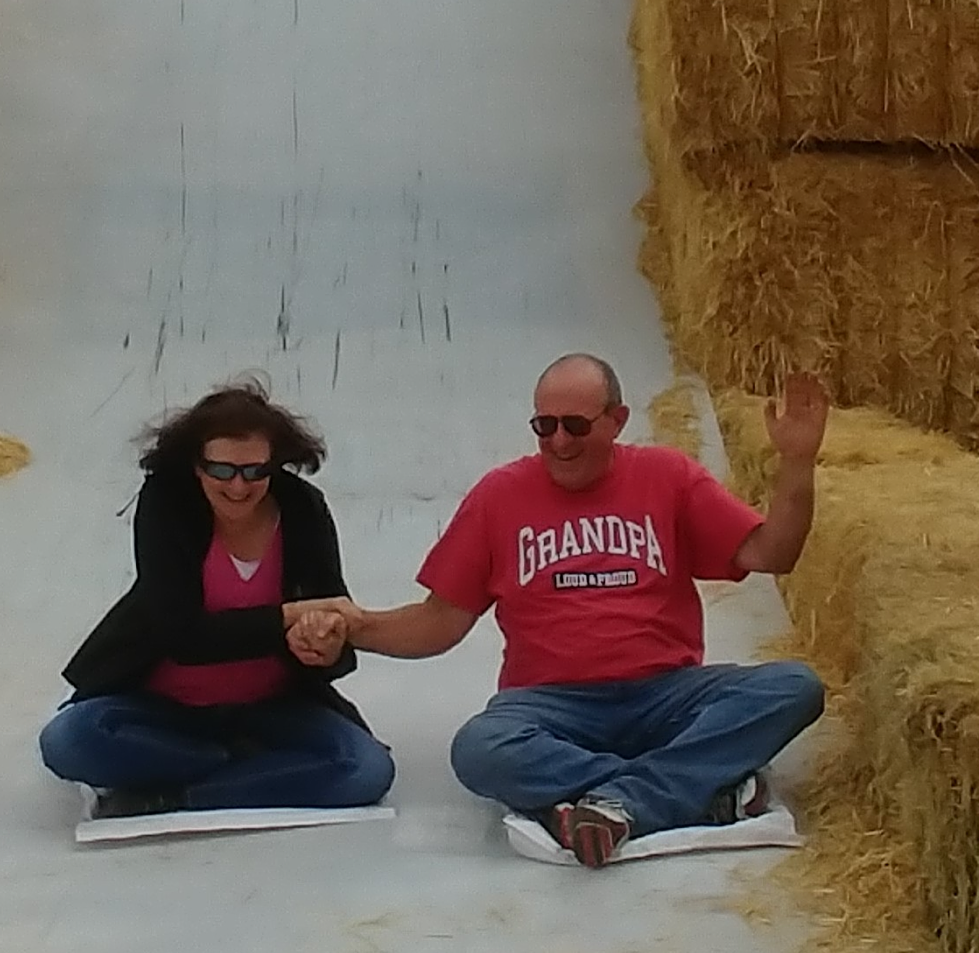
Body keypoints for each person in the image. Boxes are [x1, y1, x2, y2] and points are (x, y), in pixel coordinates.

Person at [293, 353, 827, 867]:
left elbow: (771, 553)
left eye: (575, 425)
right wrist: (356, 626)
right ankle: (687, 791)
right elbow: (440, 623)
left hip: (666, 695)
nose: (559, 442)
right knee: (482, 748)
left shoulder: (668, 476)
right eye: (543, 426)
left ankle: (618, 800)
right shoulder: (499, 496)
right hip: (550, 708)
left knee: (793, 687)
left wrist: (798, 464)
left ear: (617, 420)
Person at [41, 377, 394, 819]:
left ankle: (178, 795)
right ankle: (247, 769)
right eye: (222, 471)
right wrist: (289, 618)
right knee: (69, 739)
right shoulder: (166, 502)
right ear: (196, 465)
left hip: (270, 705)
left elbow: (334, 628)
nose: (239, 487)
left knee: (366, 769)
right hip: (164, 705)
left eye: (256, 471)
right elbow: (182, 635)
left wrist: (324, 645)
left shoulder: (303, 509)